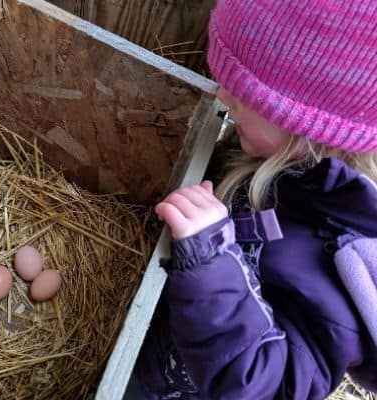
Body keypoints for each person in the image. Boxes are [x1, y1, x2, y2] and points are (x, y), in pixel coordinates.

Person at [134, 0, 377, 398]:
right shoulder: (273, 159)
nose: (223, 96)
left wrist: (212, 261)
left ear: (302, 124)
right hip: (164, 335)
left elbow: (266, 387)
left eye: (244, 93)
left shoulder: (338, 269)